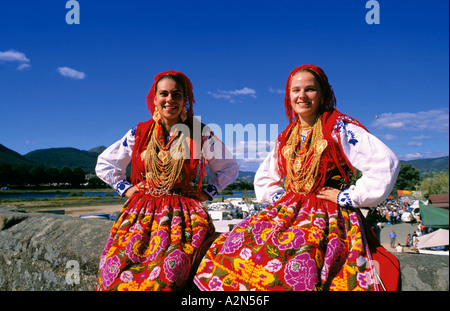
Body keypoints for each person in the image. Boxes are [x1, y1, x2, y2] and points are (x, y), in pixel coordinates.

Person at [194, 64, 400, 291]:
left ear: (322, 94)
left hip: (327, 212)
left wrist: (346, 196)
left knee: (297, 262)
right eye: (296, 90)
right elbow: (264, 179)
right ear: (289, 95)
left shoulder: (339, 128)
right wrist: (282, 199)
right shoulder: (286, 136)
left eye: (310, 89)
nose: (302, 96)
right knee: (235, 247)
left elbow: (385, 163)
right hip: (290, 209)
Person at [95, 70, 239, 291]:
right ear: (154, 99)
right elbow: (106, 164)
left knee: (172, 270)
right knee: (116, 267)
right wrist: (128, 189)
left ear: (185, 100)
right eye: (164, 94)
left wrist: (206, 193)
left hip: (183, 213)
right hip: (141, 212)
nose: (170, 99)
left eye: (176, 94)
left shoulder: (200, 133)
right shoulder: (140, 132)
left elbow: (228, 167)